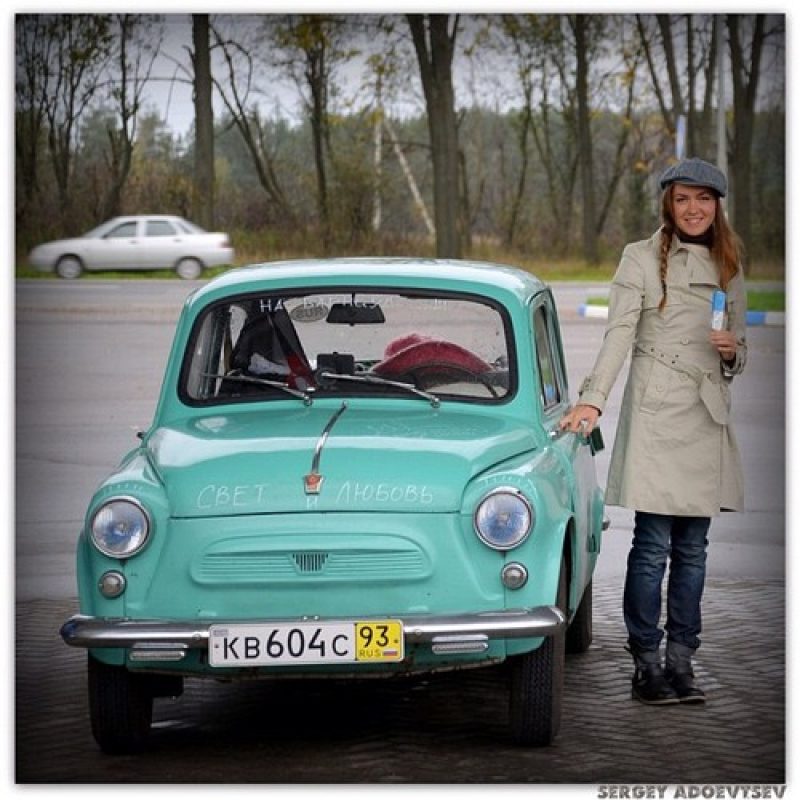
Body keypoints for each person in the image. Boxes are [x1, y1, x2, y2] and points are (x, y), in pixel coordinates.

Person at [560, 157, 747, 705]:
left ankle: (682, 662)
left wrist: (732, 352)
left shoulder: (730, 261)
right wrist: (593, 399)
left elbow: (739, 350)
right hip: (657, 416)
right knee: (651, 548)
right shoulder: (639, 258)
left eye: (704, 199)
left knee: (694, 550)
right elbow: (618, 334)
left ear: (717, 205)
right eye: (683, 198)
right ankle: (646, 665)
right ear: (668, 203)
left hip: (705, 417)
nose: (693, 209)